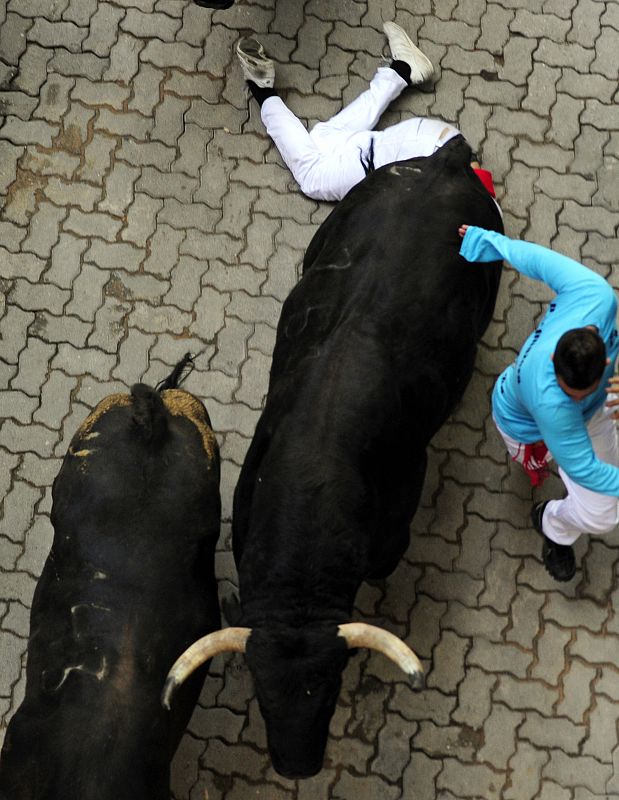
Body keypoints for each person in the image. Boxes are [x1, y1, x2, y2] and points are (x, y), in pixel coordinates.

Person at [458, 223, 619, 582]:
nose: (568, 396)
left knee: (604, 508)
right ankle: (552, 524)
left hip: (594, 415)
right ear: (553, 360)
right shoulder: (554, 405)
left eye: (576, 393)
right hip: (526, 426)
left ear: (605, 363)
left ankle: (554, 522)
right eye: (566, 390)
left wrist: (490, 241)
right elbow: (585, 470)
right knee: (603, 515)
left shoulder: (596, 295)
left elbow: (535, 259)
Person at [235, 23, 496, 202]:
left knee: (325, 138)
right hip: (422, 154)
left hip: (436, 139)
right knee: (310, 176)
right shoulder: (465, 211)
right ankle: (261, 87)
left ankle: (402, 70)